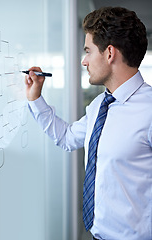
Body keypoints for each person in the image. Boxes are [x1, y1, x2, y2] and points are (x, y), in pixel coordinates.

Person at [25, 6, 152, 240]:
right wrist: (36, 98)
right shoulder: (99, 106)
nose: (84, 61)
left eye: (88, 51)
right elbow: (67, 138)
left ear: (109, 53)